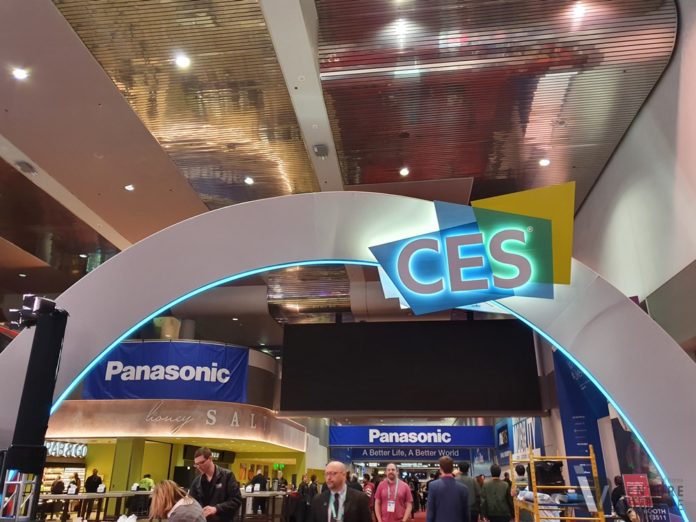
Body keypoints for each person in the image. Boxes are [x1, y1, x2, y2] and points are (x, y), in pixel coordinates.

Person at [189, 447, 242, 522]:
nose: (199, 467)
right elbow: (191, 503)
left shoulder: (227, 476)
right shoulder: (197, 482)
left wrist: (216, 508)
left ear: (210, 459)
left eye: (202, 462)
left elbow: (236, 500)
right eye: (196, 464)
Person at [426, 456, 470, 522]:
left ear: (440, 468)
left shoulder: (433, 486)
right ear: (452, 468)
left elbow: (431, 511)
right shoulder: (463, 489)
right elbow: (466, 514)